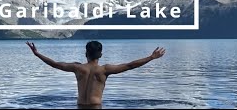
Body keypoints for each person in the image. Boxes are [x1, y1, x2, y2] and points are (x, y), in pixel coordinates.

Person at [26, 41, 165, 109]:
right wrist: (151, 57)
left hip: (80, 106)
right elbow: (130, 65)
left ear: (86, 54)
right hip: (95, 107)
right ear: (101, 55)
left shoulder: (77, 68)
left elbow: (55, 64)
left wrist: (37, 54)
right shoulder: (104, 70)